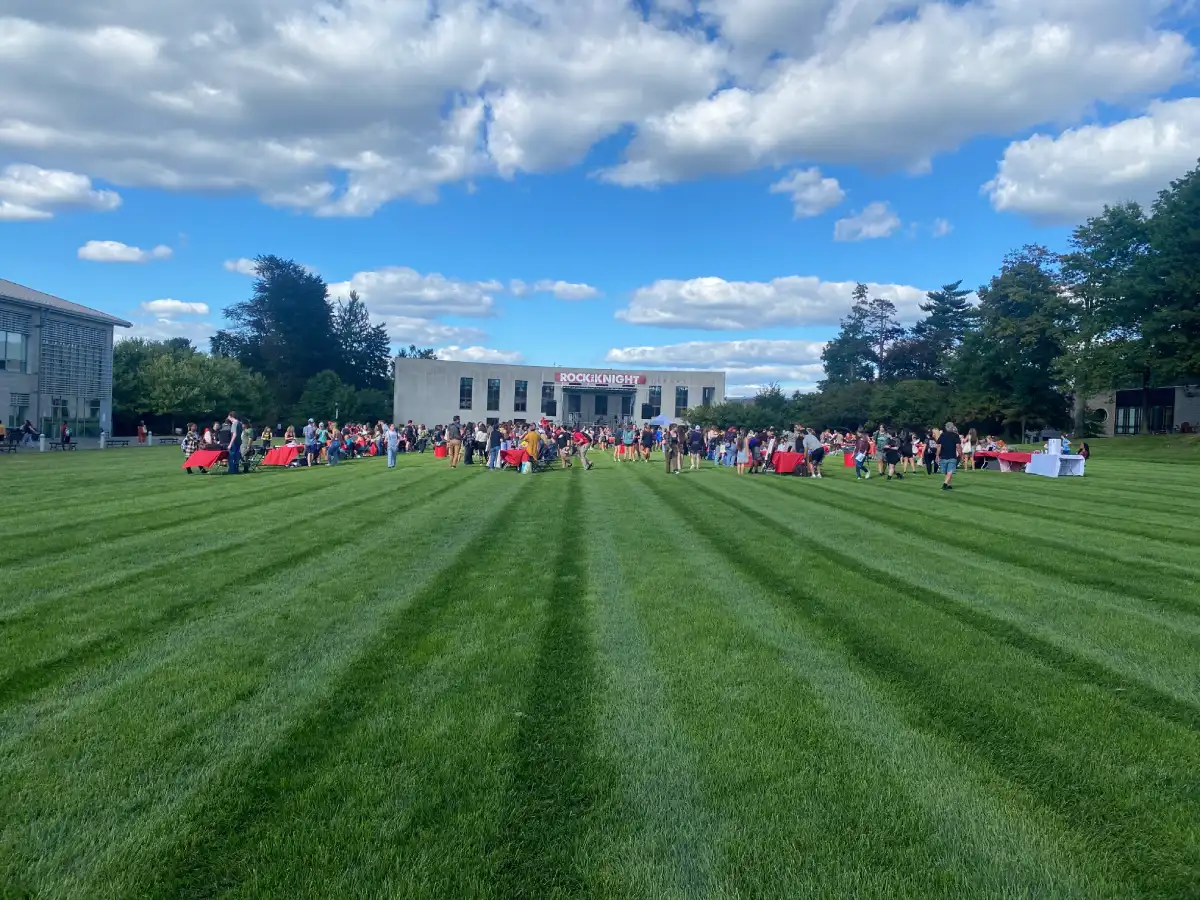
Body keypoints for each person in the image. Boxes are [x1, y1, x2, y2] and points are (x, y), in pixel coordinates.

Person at [938, 421, 962, 491]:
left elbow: (939, 445)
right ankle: (948, 484)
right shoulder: (955, 435)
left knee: (948, 471)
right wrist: (961, 454)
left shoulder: (942, 435)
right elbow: (958, 446)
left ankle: (945, 484)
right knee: (948, 471)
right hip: (952, 455)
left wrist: (937, 455)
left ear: (946, 427)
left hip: (944, 455)